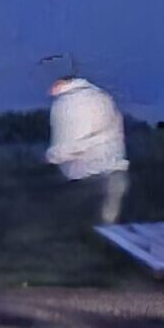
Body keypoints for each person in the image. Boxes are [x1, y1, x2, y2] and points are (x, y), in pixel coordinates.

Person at [45, 74, 129, 225]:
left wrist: (53, 156)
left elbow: (70, 144)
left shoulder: (67, 102)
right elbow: (116, 131)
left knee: (83, 222)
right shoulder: (102, 96)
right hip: (113, 168)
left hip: (85, 172)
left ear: (64, 83)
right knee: (109, 220)